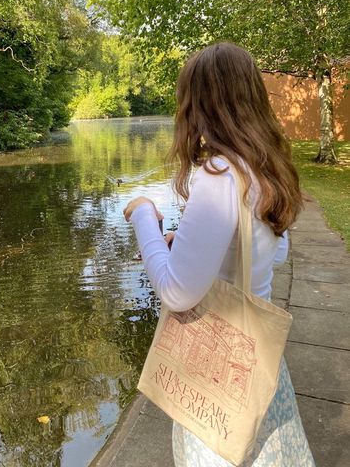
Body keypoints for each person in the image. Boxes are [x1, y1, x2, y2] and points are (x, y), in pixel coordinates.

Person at [123, 42, 315, 466]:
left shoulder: (219, 176)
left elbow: (176, 293)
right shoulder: (265, 169)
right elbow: (273, 253)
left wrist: (144, 216)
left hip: (217, 367)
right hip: (259, 357)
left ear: (202, 104)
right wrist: (188, 243)